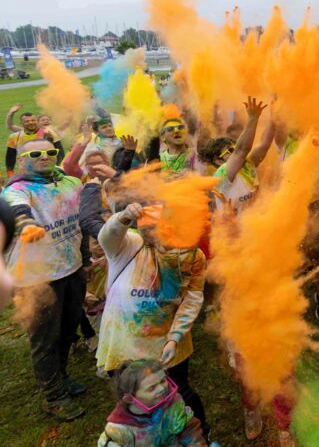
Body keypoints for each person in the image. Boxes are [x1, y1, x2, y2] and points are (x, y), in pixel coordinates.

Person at [96, 199, 211, 440]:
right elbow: (106, 238)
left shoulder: (192, 256)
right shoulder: (131, 245)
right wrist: (124, 217)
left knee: (179, 395)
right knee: (135, 399)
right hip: (123, 344)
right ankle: (143, 438)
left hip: (166, 346)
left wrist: (174, 338)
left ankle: (198, 437)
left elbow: (192, 298)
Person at [1, 138, 87, 420]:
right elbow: (17, 210)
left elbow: (82, 220)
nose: (44, 156)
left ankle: (61, 377)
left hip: (71, 269)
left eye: (49, 152)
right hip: (36, 279)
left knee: (67, 330)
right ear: (23, 159)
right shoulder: (17, 189)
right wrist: (26, 224)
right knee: (44, 339)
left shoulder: (69, 183)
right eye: (35, 153)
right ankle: (54, 397)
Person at [96, 358, 209, 447]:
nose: (162, 389)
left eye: (163, 380)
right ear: (130, 399)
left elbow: (188, 427)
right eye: (152, 388)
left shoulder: (173, 401)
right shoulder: (117, 431)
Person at [200, 97, 274, 215]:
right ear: (218, 161)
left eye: (234, 147)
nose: (234, 150)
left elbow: (265, 144)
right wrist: (253, 119)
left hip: (257, 228)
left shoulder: (248, 163)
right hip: (232, 231)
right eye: (230, 151)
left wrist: (274, 116)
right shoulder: (220, 176)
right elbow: (241, 150)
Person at [5, 107, 64, 177]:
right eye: (27, 121)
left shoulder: (48, 133)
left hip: (46, 170)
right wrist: (10, 171)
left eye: (33, 120)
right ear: (21, 123)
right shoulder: (14, 137)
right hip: (25, 173)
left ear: (37, 121)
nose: (31, 122)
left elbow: (60, 151)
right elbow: (10, 155)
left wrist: (56, 166)